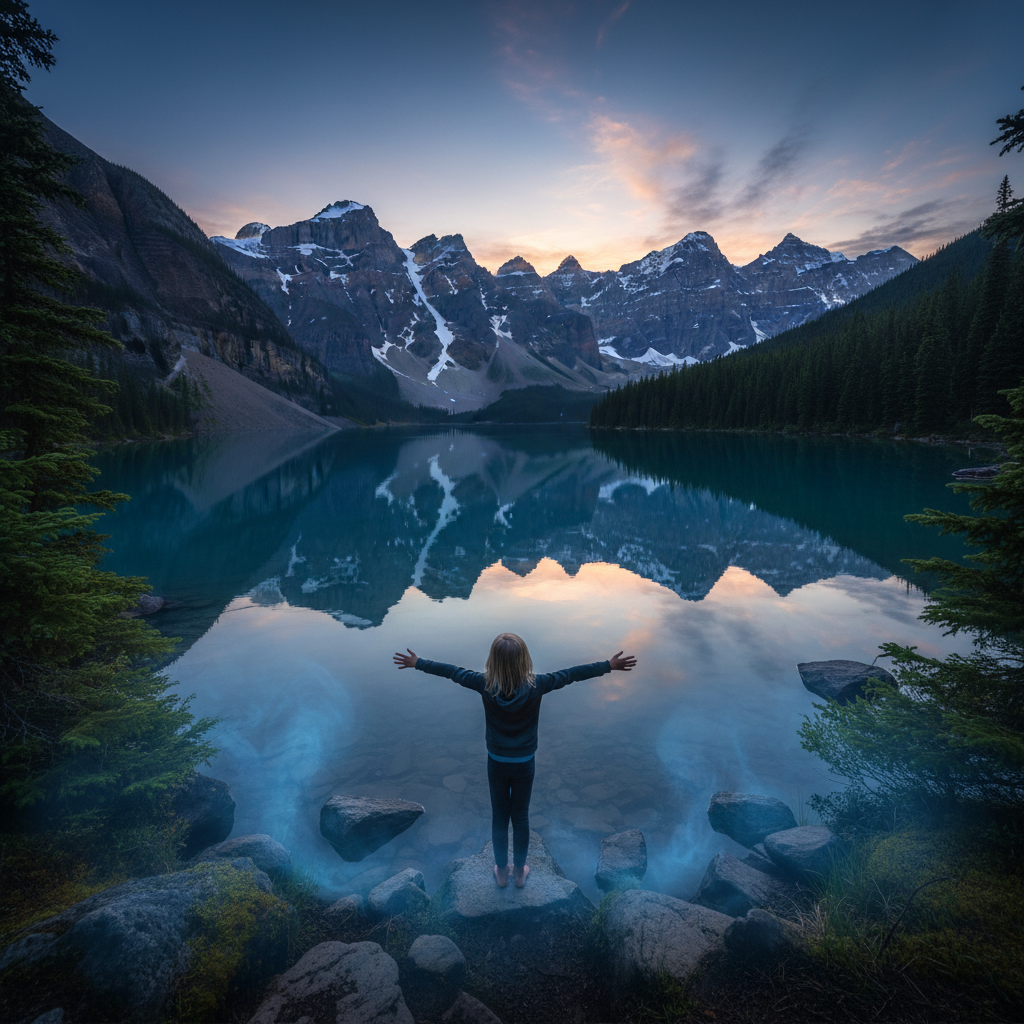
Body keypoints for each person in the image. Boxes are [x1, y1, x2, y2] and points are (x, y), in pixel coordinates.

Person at [393, 634, 637, 888]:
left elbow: (453, 672)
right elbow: (571, 674)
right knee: (520, 816)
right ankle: (519, 872)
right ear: (524, 660)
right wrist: (608, 665)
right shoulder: (537, 685)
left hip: (496, 761)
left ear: (493, 661)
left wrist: (418, 662)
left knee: (500, 816)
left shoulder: (484, 683)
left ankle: (501, 871)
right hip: (524, 761)